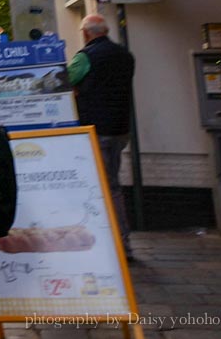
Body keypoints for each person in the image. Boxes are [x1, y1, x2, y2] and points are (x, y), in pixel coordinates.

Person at [68, 13, 136, 261]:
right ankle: (116, 240)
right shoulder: (125, 55)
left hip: (95, 130)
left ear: (86, 33)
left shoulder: (85, 57)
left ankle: (118, 243)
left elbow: (62, 82)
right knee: (111, 182)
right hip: (120, 129)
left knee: (106, 186)